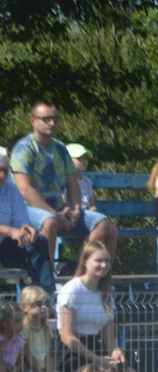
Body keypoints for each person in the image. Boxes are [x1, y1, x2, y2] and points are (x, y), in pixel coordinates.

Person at [10, 102, 118, 258]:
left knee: (105, 225)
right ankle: (47, 278)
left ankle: (83, 276)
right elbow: (24, 189)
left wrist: (75, 210)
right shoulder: (24, 149)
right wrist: (55, 214)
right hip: (28, 211)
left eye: (55, 119)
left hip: (61, 211)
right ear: (33, 121)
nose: (52, 123)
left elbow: (73, 184)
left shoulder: (60, 149)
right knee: (50, 222)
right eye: (46, 119)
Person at [55, 241, 139, 372]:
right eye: (99, 261)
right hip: (71, 353)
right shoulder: (72, 290)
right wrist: (97, 360)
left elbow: (109, 337)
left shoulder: (106, 293)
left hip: (95, 347)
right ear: (85, 261)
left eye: (107, 261)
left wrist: (115, 351)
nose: (104, 265)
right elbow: (67, 336)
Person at [0, 147, 55, 295]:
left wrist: (26, 228)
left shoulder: (11, 189)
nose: (2, 175)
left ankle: (44, 298)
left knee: (39, 242)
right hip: (5, 238)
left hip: (4, 247)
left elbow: (21, 218)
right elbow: (12, 230)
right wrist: (11, 231)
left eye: (5, 171)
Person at [19, 286, 73, 372]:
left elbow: (48, 354)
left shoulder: (45, 328)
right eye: (38, 304)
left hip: (45, 370)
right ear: (25, 307)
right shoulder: (24, 328)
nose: (44, 307)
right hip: (30, 370)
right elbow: (27, 355)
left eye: (47, 303)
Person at [65, 144, 96, 213]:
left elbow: (90, 201)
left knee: (102, 221)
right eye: (79, 158)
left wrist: (92, 208)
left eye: (85, 158)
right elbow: (64, 202)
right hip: (71, 212)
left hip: (85, 212)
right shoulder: (63, 181)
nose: (84, 161)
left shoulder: (87, 181)